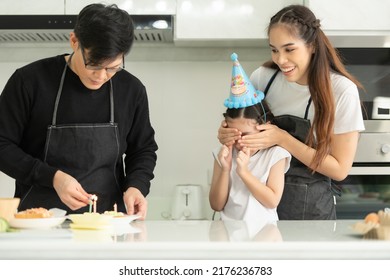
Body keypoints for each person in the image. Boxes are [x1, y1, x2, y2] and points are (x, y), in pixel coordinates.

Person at [0, 3, 158, 219]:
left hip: (108, 226)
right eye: (93, 64)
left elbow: (143, 149)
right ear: (74, 41)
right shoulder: (29, 82)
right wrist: (53, 177)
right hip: (38, 224)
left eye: (113, 67)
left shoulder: (131, 90)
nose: (101, 76)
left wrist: (137, 186)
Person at [217, 5, 365, 220]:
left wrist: (282, 139)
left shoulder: (341, 91)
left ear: (312, 45)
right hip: (258, 211)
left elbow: (340, 169)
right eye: (274, 50)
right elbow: (241, 127)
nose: (281, 60)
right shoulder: (263, 78)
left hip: (310, 214)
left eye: (289, 49)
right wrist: (227, 134)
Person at [209, 53, 291, 224]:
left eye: (245, 135)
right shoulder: (224, 155)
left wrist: (244, 172)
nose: (238, 142)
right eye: (233, 134)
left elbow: (272, 201)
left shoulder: (275, 155)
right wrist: (225, 169)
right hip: (229, 234)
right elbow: (216, 205)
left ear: (264, 126)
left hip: (265, 236)